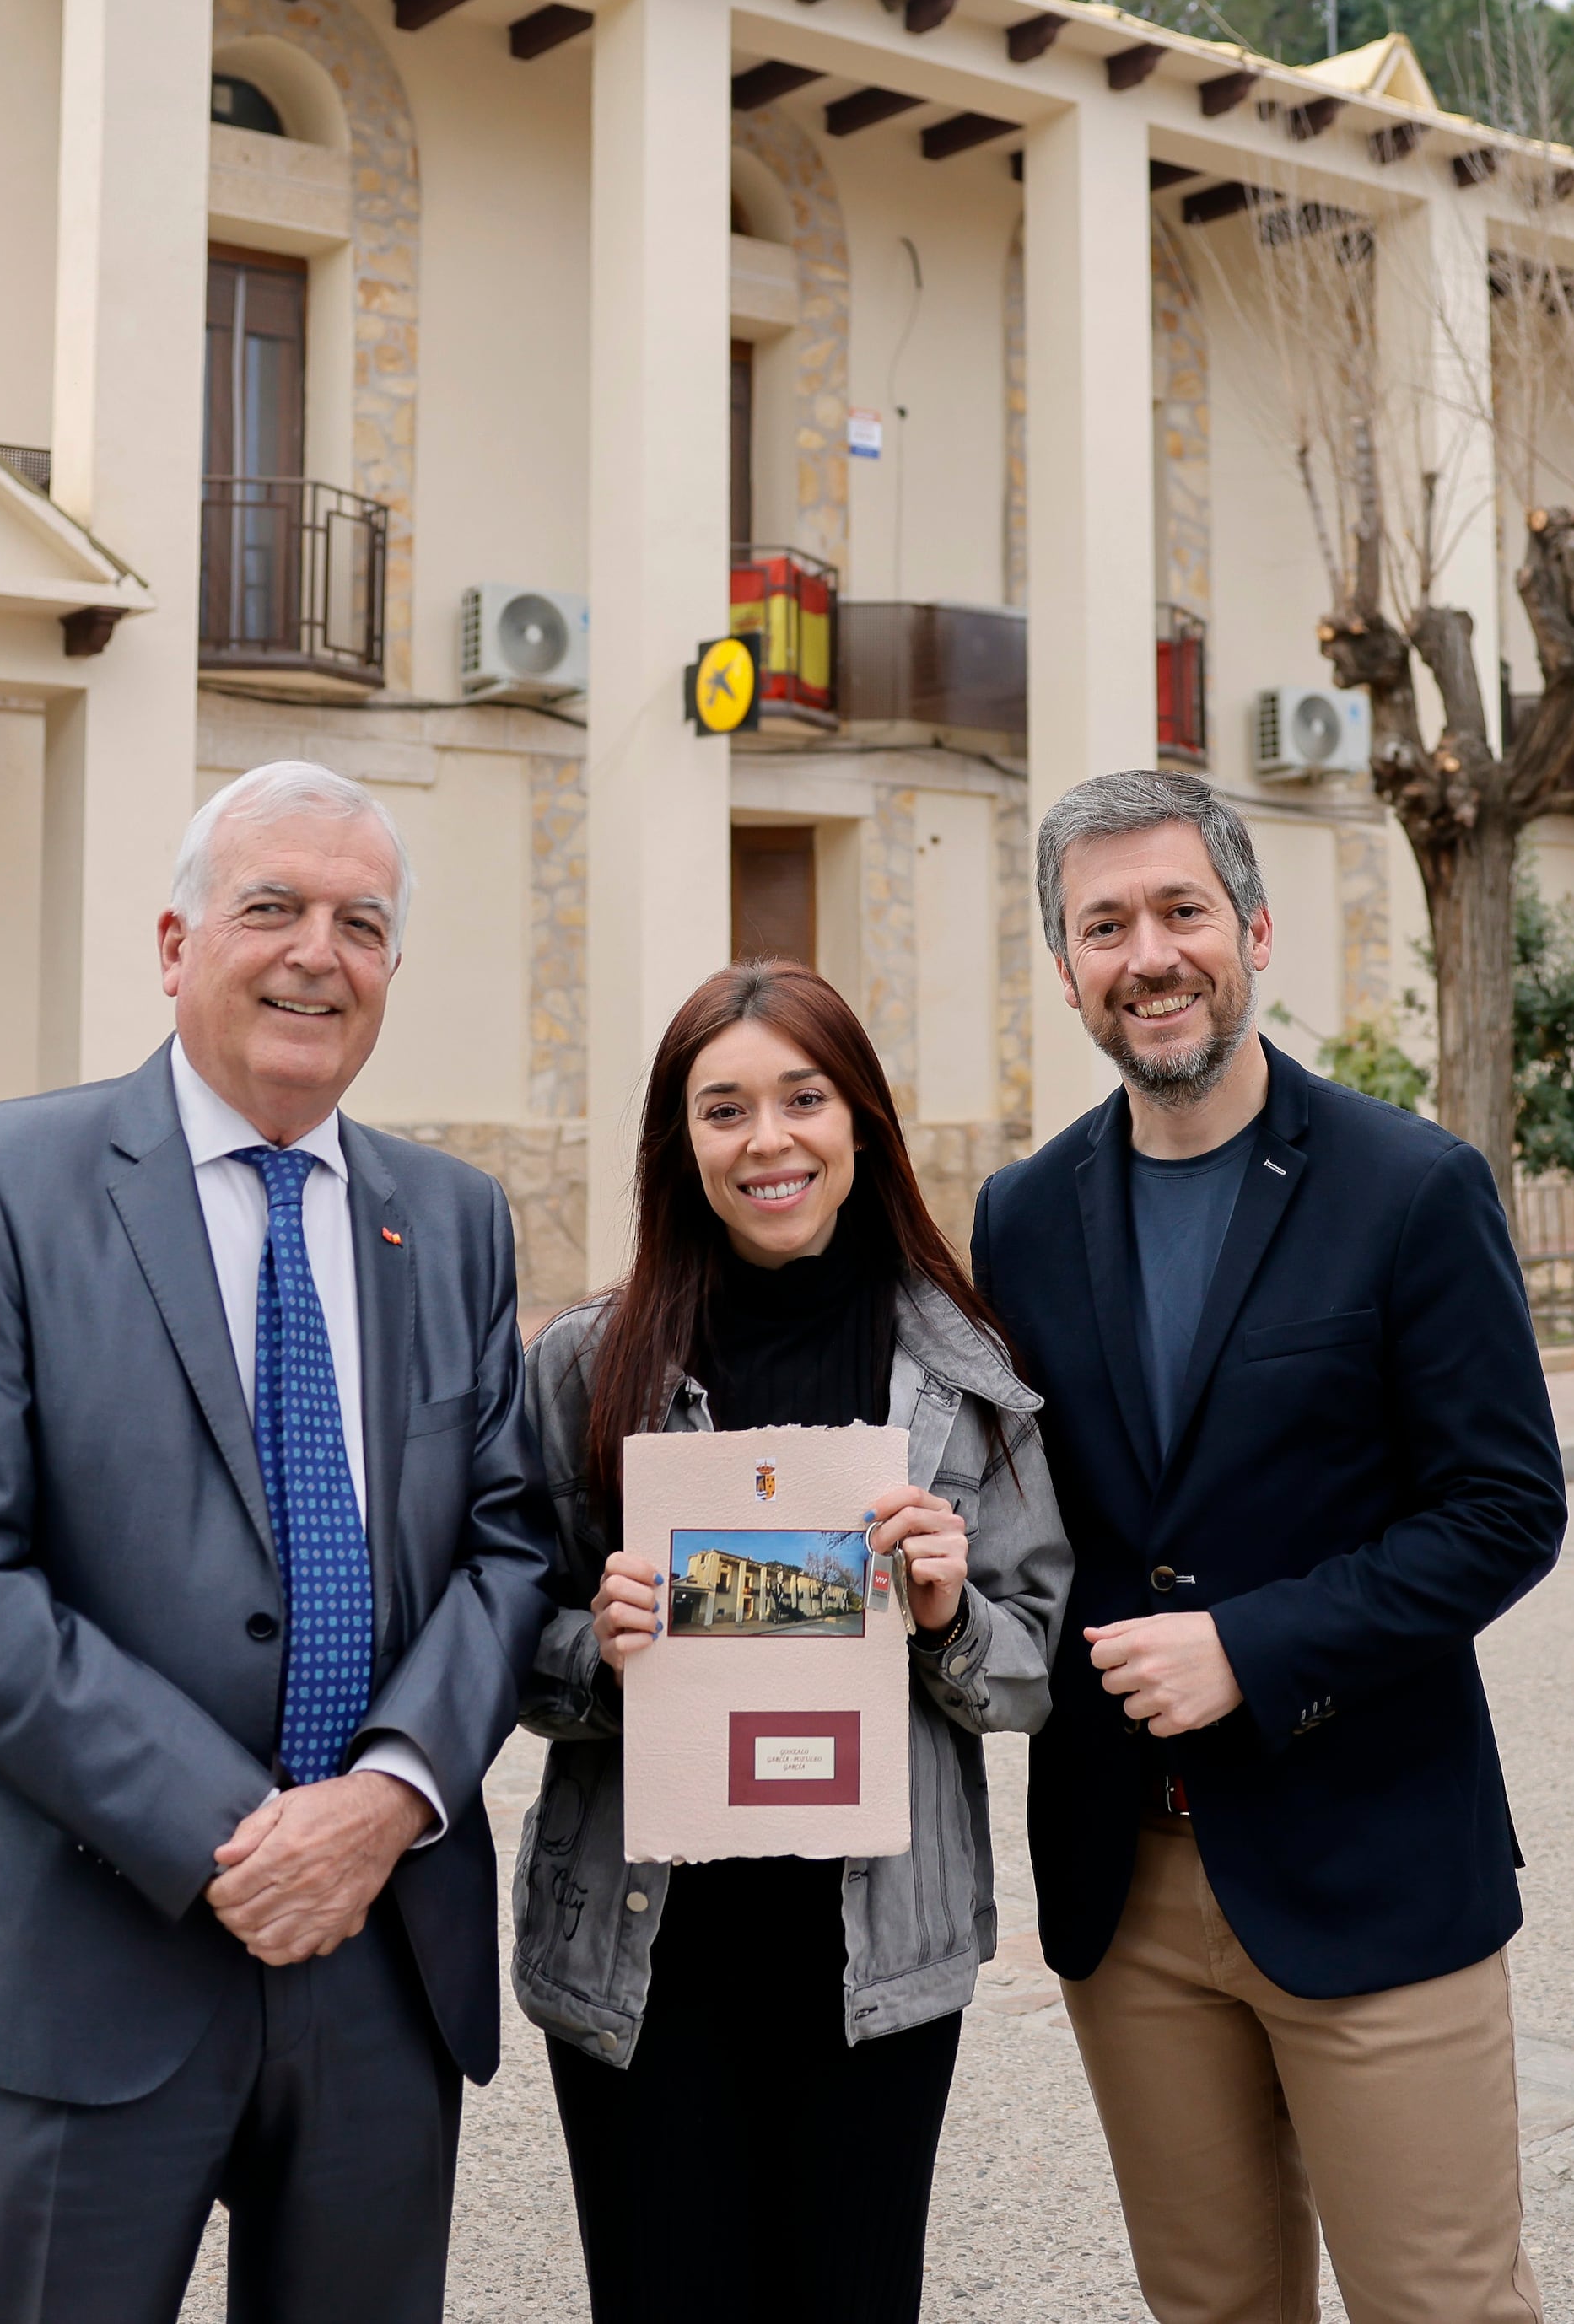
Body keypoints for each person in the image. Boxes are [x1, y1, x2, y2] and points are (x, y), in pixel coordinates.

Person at [0, 761, 553, 2324]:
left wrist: (383, 1802)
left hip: (379, 1959)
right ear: (176, 946)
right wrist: (240, 1833)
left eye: (360, 922)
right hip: (79, 1964)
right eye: (273, 907)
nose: (320, 949)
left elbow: (511, 1543)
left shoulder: (451, 1218)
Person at [973, 771, 1569, 2324]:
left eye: (1179, 911)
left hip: (1370, 1857)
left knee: (1443, 2302)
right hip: (1128, 1881)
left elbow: (1506, 1512)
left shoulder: (1409, 1186)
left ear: (1252, 927)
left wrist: (1252, 1646)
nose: (1148, 954)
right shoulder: (1023, 1217)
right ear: (1066, 970)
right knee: (1212, 2307)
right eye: (1104, 925)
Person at [516, 960, 1070, 2324]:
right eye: (724, 1109)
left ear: (862, 1121)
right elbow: (500, 1631)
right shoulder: (589, 1365)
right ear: (679, 1143)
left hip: (870, 1962)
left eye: (802, 1098)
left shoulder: (967, 1377)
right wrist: (598, 1642)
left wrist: (950, 1614)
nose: (769, 1140)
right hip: (651, 1956)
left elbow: (1033, 1666)